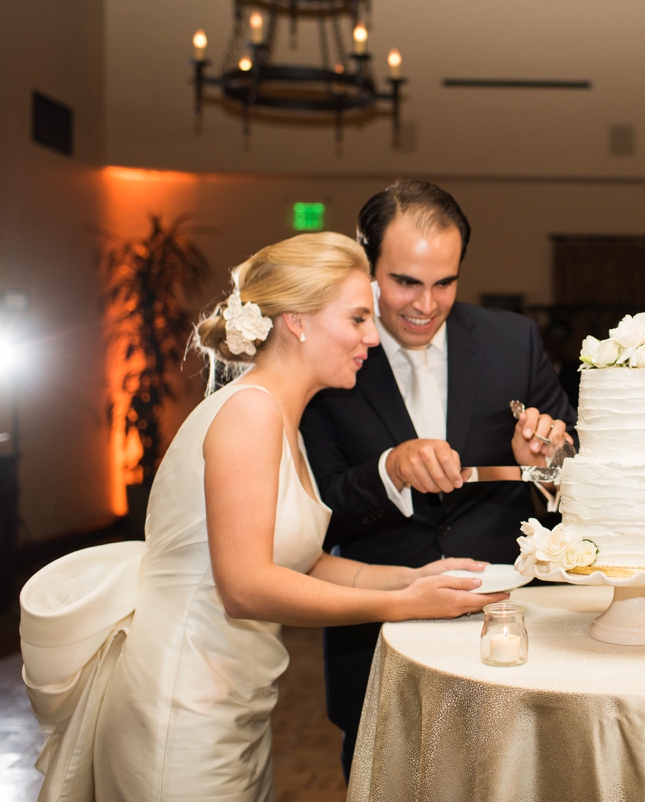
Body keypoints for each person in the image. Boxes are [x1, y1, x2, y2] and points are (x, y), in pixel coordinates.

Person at [67, 233, 508, 800]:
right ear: (297, 323)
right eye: (356, 319)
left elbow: (305, 562)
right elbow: (246, 587)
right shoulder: (249, 413)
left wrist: (419, 577)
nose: (372, 337)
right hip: (181, 703)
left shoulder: (280, 419)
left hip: (233, 702)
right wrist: (400, 605)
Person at [299, 179, 577, 777]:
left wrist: (544, 459)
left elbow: (576, 476)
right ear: (366, 264)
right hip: (377, 639)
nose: (426, 304)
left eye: (444, 283)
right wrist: (389, 473)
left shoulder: (512, 340)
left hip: (508, 625)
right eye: (405, 282)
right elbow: (314, 515)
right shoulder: (328, 354)